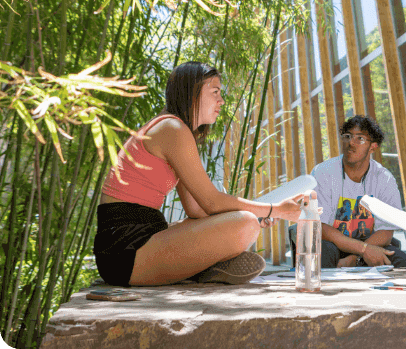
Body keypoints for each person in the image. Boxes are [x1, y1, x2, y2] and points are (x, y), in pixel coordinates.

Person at [93, 61, 308, 287]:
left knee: (245, 221)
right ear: (192, 93)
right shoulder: (172, 129)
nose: (221, 101)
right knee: (245, 224)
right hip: (125, 251)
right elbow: (212, 202)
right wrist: (276, 210)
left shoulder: (174, 129)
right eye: (214, 92)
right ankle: (203, 267)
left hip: (138, 242)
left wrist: (254, 215)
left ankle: (202, 267)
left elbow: (196, 210)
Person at [308, 115, 406, 268]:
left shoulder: (384, 179)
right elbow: (320, 227)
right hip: (333, 245)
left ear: (373, 146)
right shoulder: (323, 172)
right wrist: (363, 250)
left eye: (360, 138)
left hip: (370, 245)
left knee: (400, 260)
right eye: (347, 136)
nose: (351, 143)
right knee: (322, 251)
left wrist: (356, 258)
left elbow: (386, 232)